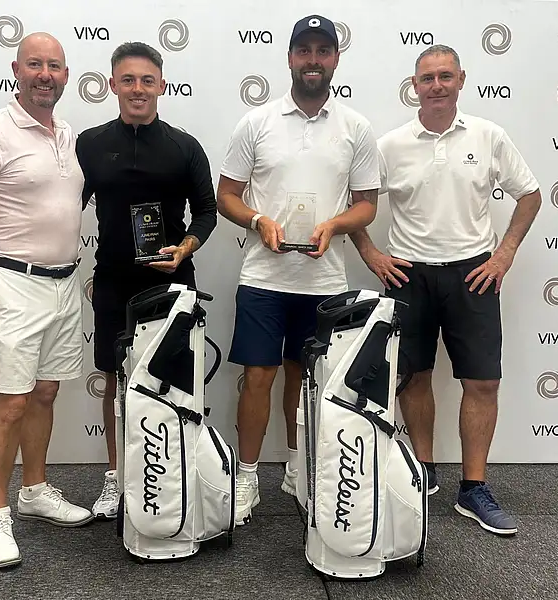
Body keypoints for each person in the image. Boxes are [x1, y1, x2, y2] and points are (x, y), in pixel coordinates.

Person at [350, 44, 541, 536]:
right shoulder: (391, 145)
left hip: (473, 273)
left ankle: (473, 488)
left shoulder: (488, 135)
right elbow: (355, 203)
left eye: (445, 76)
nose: (436, 85)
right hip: (408, 274)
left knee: (483, 382)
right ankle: (424, 472)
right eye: (427, 78)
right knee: (414, 377)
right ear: (414, 86)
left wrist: (504, 254)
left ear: (461, 80)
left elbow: (530, 194)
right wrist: (371, 254)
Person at [217, 15, 381, 526]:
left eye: (322, 51)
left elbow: (367, 205)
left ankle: (297, 469)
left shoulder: (356, 128)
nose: (313, 60)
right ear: (290, 58)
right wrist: (258, 220)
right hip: (264, 278)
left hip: (324, 281)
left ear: (335, 59)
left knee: (305, 378)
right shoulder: (256, 123)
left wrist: (334, 225)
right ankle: (247, 478)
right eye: (304, 50)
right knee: (257, 376)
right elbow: (226, 195)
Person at [0, 32, 94, 569]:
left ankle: (34, 490)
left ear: (66, 75)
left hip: (64, 282)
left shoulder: (67, 134)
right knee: (9, 403)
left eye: (54, 66)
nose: (44, 75)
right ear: (16, 70)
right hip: (10, 283)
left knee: (46, 392)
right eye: (35, 65)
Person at [75, 42, 217, 519]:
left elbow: (207, 212)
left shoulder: (184, 146)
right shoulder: (90, 144)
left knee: (177, 379)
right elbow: (65, 205)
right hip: (113, 281)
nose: (138, 88)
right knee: (116, 379)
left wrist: (186, 247)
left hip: (172, 281)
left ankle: (179, 474)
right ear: (113, 84)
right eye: (128, 80)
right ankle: (116, 478)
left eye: (147, 80)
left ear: (161, 85)